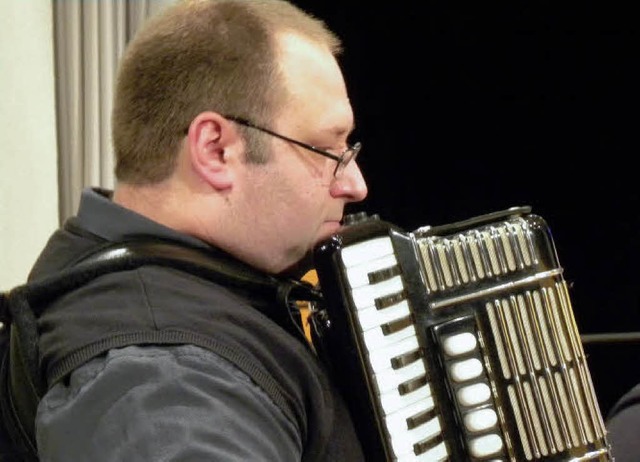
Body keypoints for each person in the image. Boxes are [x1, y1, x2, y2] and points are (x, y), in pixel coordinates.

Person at [28, 0, 368, 460]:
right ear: (216, 150)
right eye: (327, 150)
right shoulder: (163, 381)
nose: (354, 184)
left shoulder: (206, 277)